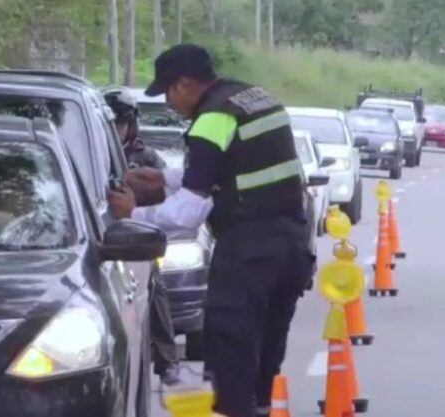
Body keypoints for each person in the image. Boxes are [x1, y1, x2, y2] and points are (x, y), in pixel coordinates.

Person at [106, 44, 314, 417]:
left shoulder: (212, 119)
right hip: (292, 249)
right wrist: (165, 177)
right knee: (266, 357)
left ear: (185, 83)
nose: (169, 103)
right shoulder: (254, 98)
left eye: (167, 91)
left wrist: (133, 211)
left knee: (230, 360)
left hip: (248, 255)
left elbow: (190, 212)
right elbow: (238, 168)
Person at [104, 87, 181, 387]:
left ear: (131, 124)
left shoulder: (146, 157)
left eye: (122, 124)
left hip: (135, 238)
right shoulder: (90, 151)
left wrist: (141, 204)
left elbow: (169, 196)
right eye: (113, 125)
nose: (118, 131)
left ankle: (167, 362)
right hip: (99, 235)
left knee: (154, 284)